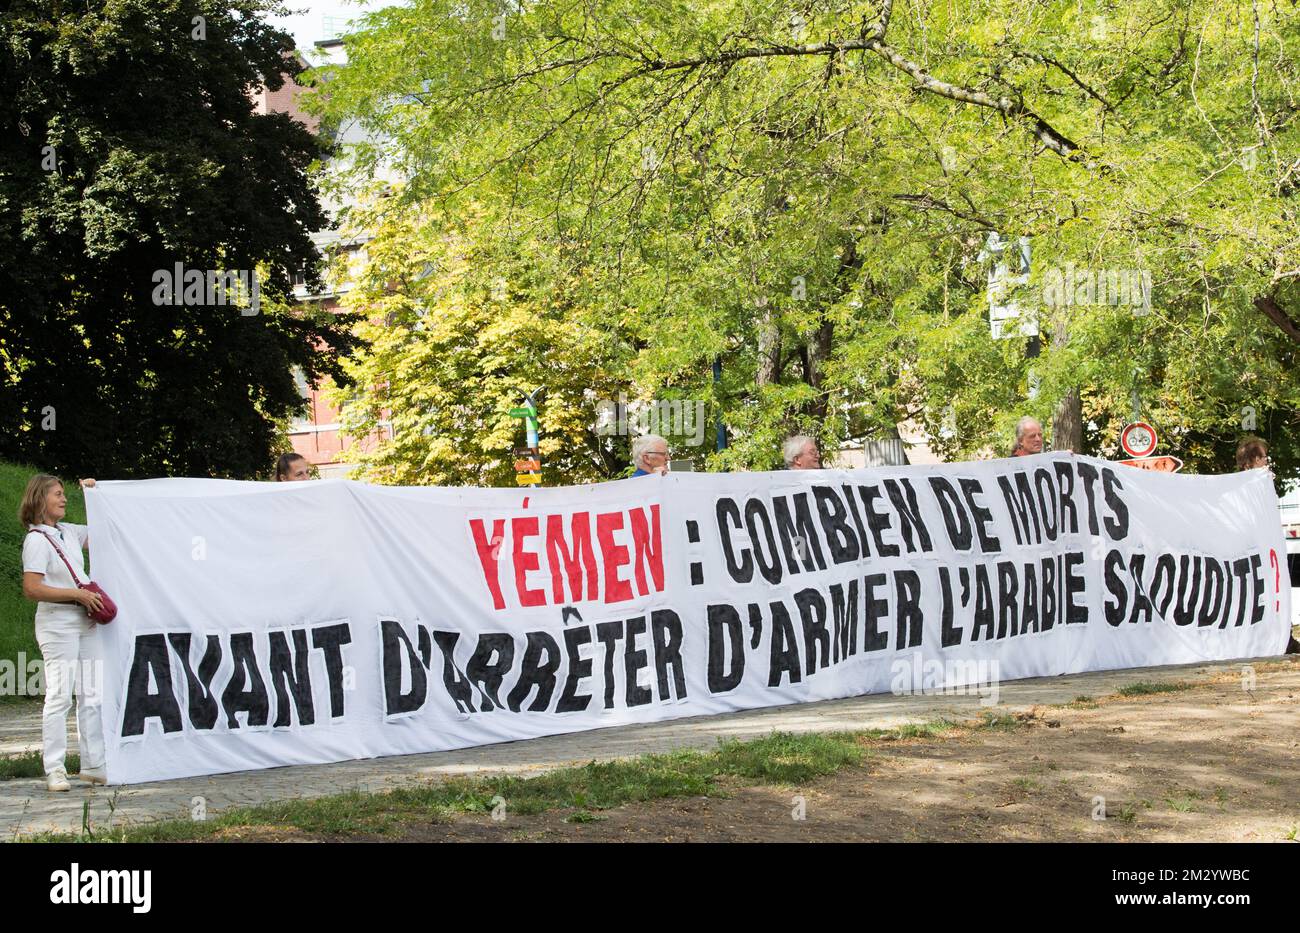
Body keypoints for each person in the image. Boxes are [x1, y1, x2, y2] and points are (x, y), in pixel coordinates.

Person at [19, 474, 106, 792]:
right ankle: (55, 769)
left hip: (85, 622)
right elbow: (31, 588)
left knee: (92, 694)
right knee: (59, 696)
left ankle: (94, 764)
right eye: (57, 494)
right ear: (40, 499)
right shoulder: (37, 540)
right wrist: (77, 595)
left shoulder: (68, 532)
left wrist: (92, 497)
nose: (63, 498)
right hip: (57, 626)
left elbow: (103, 533)